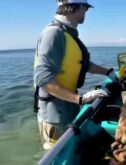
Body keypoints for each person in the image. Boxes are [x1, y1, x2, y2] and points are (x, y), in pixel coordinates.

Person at [33, 0, 117, 150]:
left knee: (73, 148)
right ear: (77, 7)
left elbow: (81, 64)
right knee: (59, 157)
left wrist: (109, 72)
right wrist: (80, 99)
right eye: (85, 8)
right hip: (55, 115)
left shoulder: (68, 33)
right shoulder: (54, 34)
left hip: (68, 105)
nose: (86, 13)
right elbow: (42, 78)